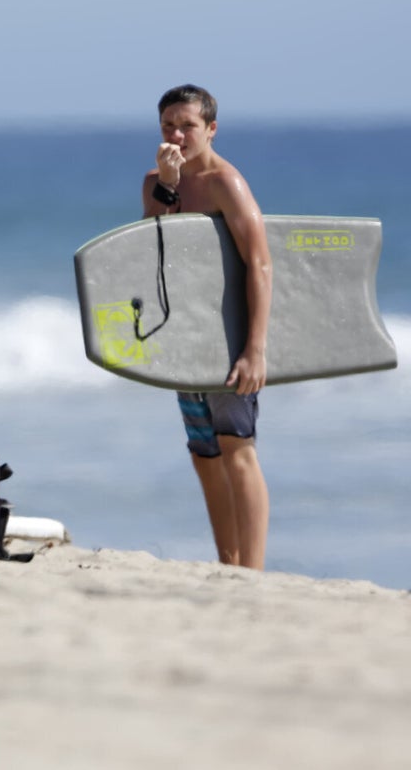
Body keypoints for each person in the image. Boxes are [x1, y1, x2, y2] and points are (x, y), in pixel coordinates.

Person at [142, 84, 273, 569]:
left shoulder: (226, 183)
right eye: (168, 126)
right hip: (187, 338)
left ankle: (252, 571)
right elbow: (154, 249)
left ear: (211, 129)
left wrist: (255, 349)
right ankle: (228, 562)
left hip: (228, 337)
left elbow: (259, 263)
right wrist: (169, 186)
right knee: (205, 454)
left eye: (187, 125)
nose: (177, 134)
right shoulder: (155, 181)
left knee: (238, 448)